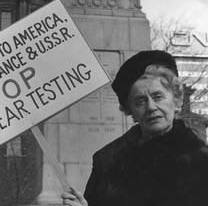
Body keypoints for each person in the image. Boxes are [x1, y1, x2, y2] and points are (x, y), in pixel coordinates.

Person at [61, 50, 208, 206]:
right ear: (130, 110)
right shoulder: (107, 163)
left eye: (158, 96)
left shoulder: (201, 162)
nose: (151, 107)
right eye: (140, 101)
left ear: (176, 99)